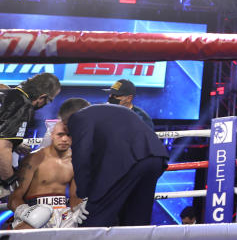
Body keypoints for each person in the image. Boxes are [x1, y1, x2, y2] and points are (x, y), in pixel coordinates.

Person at [58, 97, 169, 227]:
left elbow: (82, 156)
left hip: (129, 163)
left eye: (65, 126)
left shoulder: (78, 117)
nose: (67, 131)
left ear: (67, 119)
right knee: (136, 220)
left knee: (91, 217)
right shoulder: (110, 111)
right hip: (156, 158)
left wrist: (83, 196)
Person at [7, 120, 82, 229]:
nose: (64, 139)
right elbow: (14, 197)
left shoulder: (74, 161)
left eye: (68, 135)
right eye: (60, 135)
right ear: (52, 136)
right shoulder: (33, 160)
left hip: (64, 214)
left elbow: (74, 197)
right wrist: (26, 212)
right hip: (35, 209)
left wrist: (79, 207)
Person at [0, 72, 60, 194]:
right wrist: (11, 183)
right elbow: (2, 149)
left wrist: (15, 143)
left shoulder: (8, 93)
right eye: (49, 101)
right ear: (42, 97)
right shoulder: (21, 103)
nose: (46, 105)